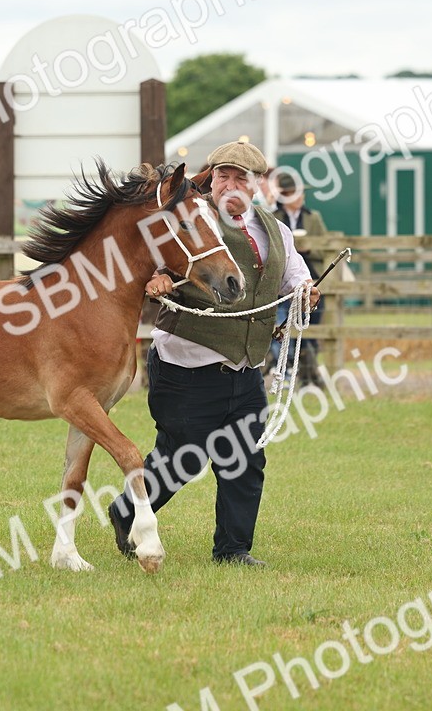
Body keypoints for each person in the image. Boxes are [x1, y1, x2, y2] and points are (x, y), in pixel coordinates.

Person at [108, 142, 320, 568]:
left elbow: (294, 272)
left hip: (244, 368)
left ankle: (233, 550)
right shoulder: (188, 219)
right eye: (223, 175)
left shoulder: (275, 230)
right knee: (182, 457)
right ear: (212, 178)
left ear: (258, 185)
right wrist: (157, 279)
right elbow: (148, 258)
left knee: (245, 460)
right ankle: (126, 511)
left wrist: (305, 289)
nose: (230, 185)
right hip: (185, 366)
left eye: (241, 178)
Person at [270, 169, 329, 385]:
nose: (301, 197)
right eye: (296, 193)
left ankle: (308, 371)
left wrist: (309, 248)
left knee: (310, 327)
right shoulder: (273, 219)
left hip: (311, 278)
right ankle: (283, 369)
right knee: (281, 325)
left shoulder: (313, 218)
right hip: (281, 283)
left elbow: (326, 246)